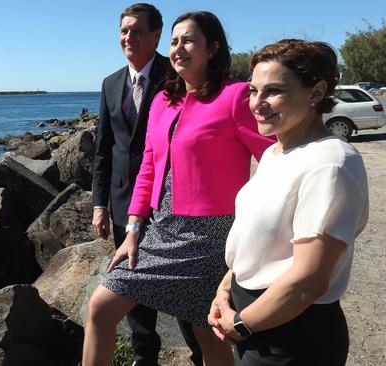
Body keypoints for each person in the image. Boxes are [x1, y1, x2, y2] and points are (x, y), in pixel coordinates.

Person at [84, 11, 274, 366]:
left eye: (188, 40)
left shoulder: (235, 96)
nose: (179, 48)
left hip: (212, 234)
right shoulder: (162, 101)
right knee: (100, 307)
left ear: (212, 48)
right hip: (162, 228)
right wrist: (133, 229)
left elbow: (277, 159)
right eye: (174, 42)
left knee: (208, 334)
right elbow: (148, 169)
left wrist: (262, 221)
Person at [208, 39, 369, 365]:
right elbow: (262, 242)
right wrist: (225, 290)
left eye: (273, 91)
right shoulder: (274, 152)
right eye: (253, 90)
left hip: (292, 337)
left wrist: (242, 323)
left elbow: (308, 281)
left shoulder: (331, 162)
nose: (257, 103)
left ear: (316, 92)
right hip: (257, 321)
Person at [91, 4, 203, 365]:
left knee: (186, 289)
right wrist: (99, 204)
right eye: (124, 31)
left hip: (173, 201)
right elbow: (102, 150)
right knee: (134, 283)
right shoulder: (110, 84)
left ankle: (199, 351)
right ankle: (144, 356)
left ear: (156, 35)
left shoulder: (180, 74)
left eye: (137, 31)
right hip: (126, 201)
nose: (129, 38)